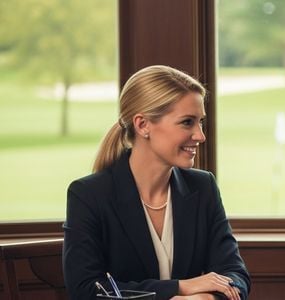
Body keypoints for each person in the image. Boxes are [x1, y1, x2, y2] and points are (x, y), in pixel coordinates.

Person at [63, 65, 250, 300]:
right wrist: (178, 288)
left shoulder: (203, 187)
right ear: (143, 125)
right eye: (187, 122)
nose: (200, 135)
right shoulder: (89, 195)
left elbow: (236, 276)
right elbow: (86, 291)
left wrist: (207, 298)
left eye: (200, 122)